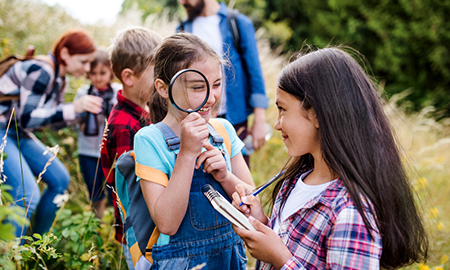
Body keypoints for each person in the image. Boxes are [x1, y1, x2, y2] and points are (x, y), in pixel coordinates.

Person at [232, 47, 429, 269]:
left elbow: (286, 255)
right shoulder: (296, 180)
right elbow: (294, 242)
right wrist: (261, 221)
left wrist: (280, 260)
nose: (277, 123)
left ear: (317, 114)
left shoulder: (351, 213)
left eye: (283, 109)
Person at [134, 32, 254, 269]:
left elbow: (252, 203)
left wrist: (225, 176)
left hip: (230, 260)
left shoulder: (224, 131)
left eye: (217, 84)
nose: (211, 97)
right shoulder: (149, 140)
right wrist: (187, 154)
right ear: (163, 88)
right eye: (198, 87)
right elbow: (167, 223)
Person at [0, 29, 102, 238]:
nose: (86, 68)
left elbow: (50, 122)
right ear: (65, 54)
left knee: (60, 180)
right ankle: (8, 256)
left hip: (18, 132)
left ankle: (36, 245)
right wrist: (73, 108)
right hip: (3, 129)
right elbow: (28, 117)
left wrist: (81, 114)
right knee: (26, 194)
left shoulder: (59, 79)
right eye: (83, 62)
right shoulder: (43, 70)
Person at [100, 26, 163, 270]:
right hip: (141, 234)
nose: (162, 80)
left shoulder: (139, 114)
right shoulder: (126, 126)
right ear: (129, 77)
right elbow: (134, 190)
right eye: (156, 72)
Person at [177, 0, 269, 165]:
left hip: (236, 119)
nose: (182, 2)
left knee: (238, 175)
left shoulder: (238, 24)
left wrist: (260, 120)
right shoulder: (183, 30)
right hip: (198, 118)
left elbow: (254, 72)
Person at [74, 49, 121, 219]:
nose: (98, 78)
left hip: (111, 152)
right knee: (95, 193)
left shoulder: (118, 92)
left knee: (115, 195)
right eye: (93, 73)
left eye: (103, 73)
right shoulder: (83, 93)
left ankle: (116, 229)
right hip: (88, 151)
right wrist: (83, 122)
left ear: (111, 72)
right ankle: (96, 227)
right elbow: (73, 122)